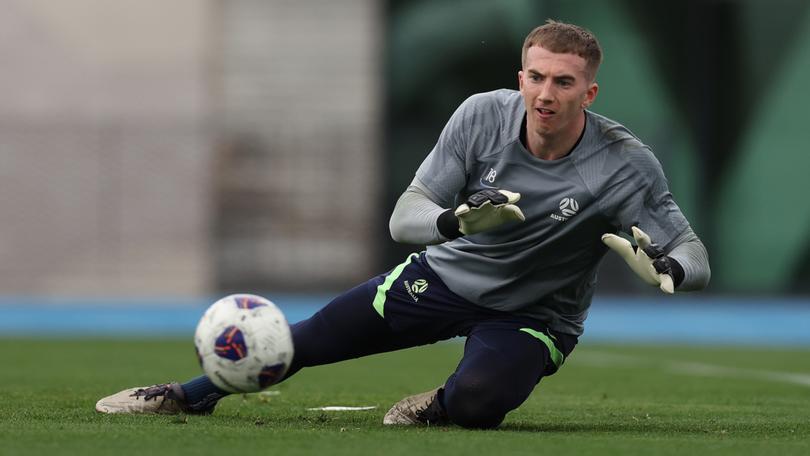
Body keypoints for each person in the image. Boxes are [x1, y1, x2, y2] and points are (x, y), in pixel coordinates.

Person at [95, 20, 710, 429]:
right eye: (535, 75)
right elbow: (404, 218)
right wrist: (453, 222)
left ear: (590, 92)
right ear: (521, 75)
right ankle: (183, 395)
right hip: (440, 279)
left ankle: (436, 406)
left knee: (477, 405)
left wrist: (670, 268)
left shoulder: (624, 164)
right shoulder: (479, 116)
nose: (545, 92)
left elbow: (692, 252)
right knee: (303, 341)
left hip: (534, 315)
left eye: (563, 81)